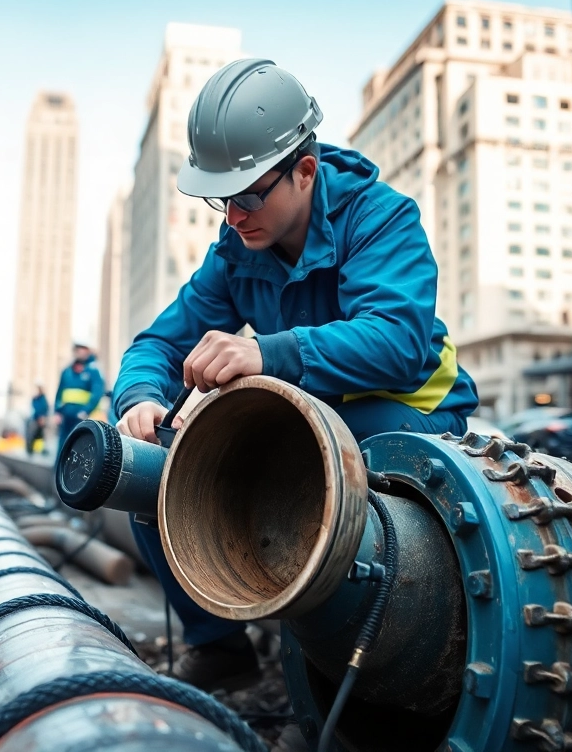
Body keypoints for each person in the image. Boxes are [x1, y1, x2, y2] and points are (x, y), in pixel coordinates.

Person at [112, 58, 478, 691]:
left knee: (323, 486)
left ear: (305, 172)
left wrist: (268, 354)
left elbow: (396, 342)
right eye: (221, 199)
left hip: (410, 416)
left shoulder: (381, 218)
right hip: (316, 414)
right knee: (149, 474)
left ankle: (348, 661)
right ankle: (221, 645)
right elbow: (158, 343)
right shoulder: (235, 253)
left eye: (249, 195)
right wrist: (141, 396)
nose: (233, 216)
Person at [54, 344, 105, 446]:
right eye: (77, 348)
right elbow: (59, 392)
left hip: (82, 417)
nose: (79, 351)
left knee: (78, 445)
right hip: (66, 416)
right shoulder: (67, 371)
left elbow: (97, 393)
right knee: (63, 446)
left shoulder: (93, 371)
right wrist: (57, 411)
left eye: (83, 348)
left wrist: (86, 411)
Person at [28, 384, 50, 455]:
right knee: (33, 434)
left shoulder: (43, 399)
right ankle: (30, 450)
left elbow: (45, 409)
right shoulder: (35, 399)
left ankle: (40, 450)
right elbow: (34, 408)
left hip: (41, 419)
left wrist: (42, 418)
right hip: (35, 418)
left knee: (41, 435)